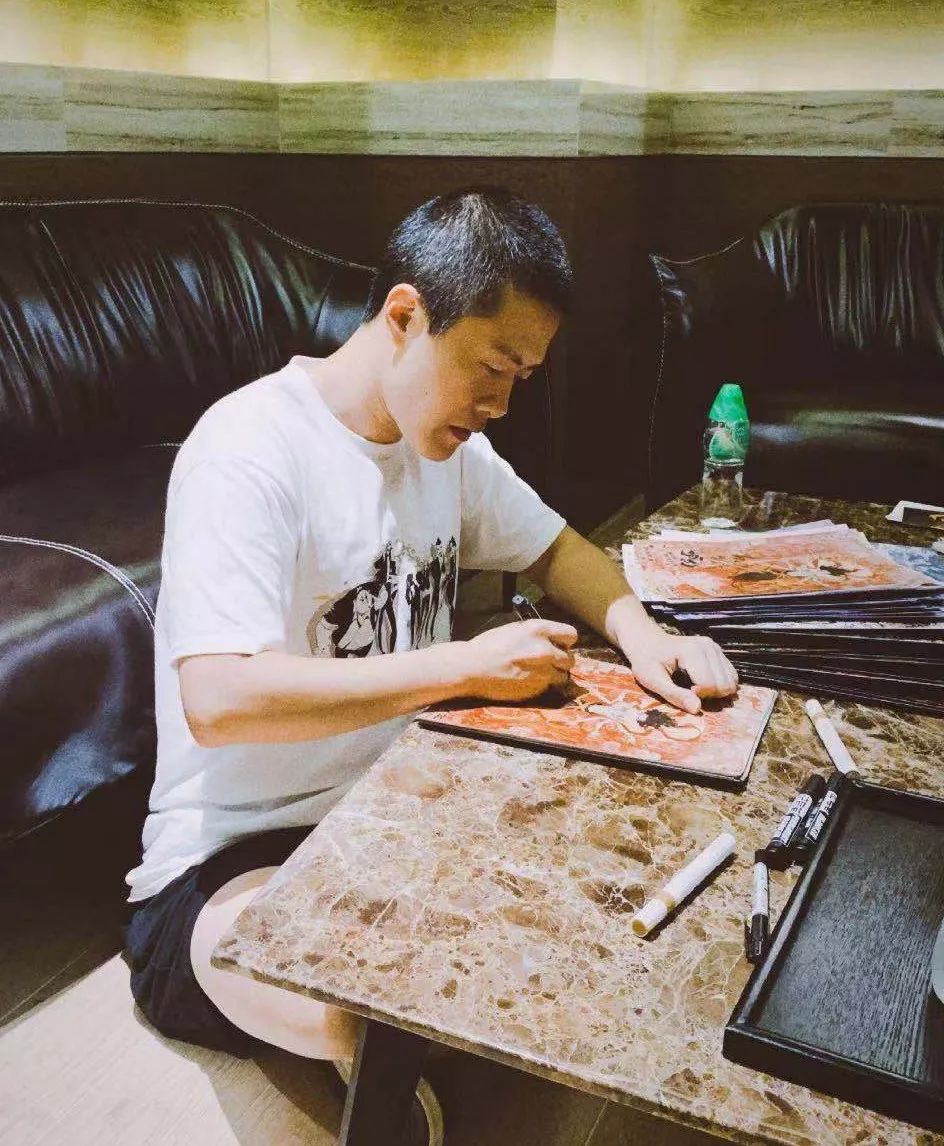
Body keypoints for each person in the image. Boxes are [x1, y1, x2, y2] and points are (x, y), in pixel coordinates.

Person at [121, 186, 738, 1142]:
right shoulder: (248, 448)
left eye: (522, 378)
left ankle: (407, 1033)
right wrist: (461, 668)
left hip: (401, 815)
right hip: (235, 857)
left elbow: (558, 550)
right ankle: (373, 1047)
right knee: (347, 989)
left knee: (606, 892)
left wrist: (649, 637)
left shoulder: (447, 450)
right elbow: (220, 698)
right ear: (406, 316)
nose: (499, 405)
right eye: (491, 367)